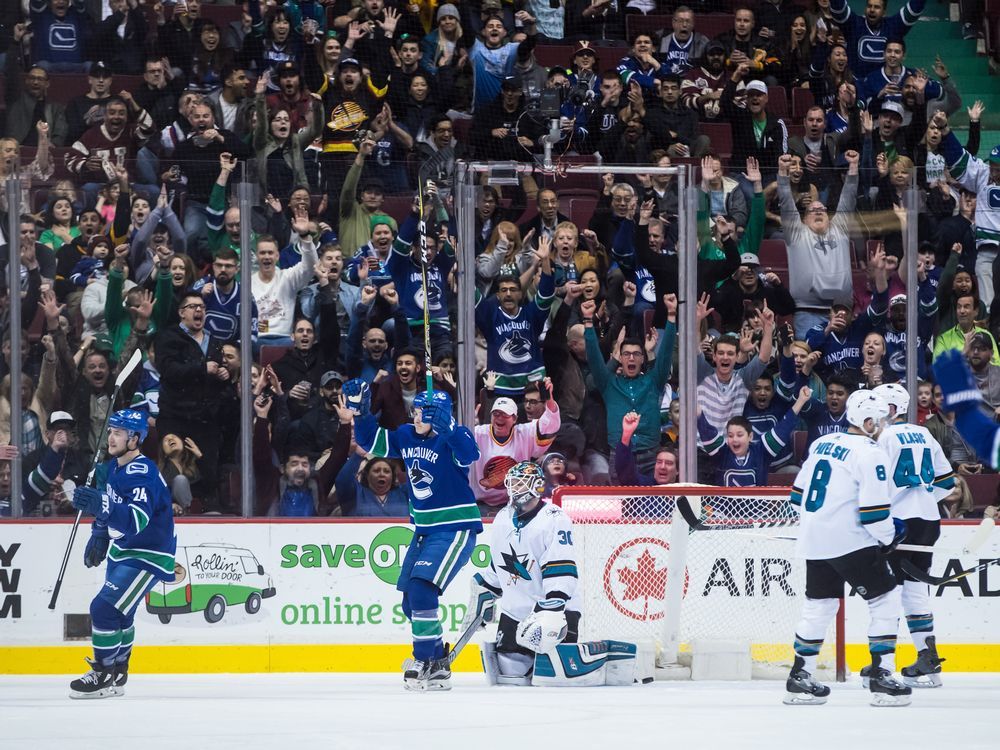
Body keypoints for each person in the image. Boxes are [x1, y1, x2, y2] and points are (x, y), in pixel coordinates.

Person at [784, 390, 911, 707]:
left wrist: (823, 522)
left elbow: (797, 497)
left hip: (814, 539)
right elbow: (874, 514)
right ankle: (881, 675)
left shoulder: (821, 444)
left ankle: (801, 676)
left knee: (821, 605)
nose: (885, 425)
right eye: (882, 420)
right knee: (885, 598)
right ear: (868, 422)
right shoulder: (871, 453)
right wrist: (889, 536)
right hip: (851, 540)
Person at [358, 388, 481, 691]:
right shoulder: (405, 435)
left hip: (454, 527)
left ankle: (425, 660)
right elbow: (371, 441)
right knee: (410, 601)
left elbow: (470, 454)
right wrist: (360, 414)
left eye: (424, 412)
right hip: (424, 531)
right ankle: (438, 662)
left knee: (422, 590)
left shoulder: (452, 437)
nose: (417, 417)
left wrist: (448, 426)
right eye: (415, 411)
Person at [69, 409, 176, 698]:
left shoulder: (143, 473)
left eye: (119, 432)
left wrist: (100, 505)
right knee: (122, 614)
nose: (111, 436)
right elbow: (112, 510)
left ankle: (102, 673)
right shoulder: (114, 468)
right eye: (111, 430)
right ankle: (117, 671)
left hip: (149, 553)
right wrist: (99, 535)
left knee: (102, 609)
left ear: (135, 439)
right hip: (125, 549)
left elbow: (137, 520)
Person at [871, 383, 953, 687]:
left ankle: (884, 668)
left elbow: (874, 486)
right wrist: (922, 499)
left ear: (891, 409)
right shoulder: (925, 433)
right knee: (916, 592)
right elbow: (947, 482)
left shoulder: (884, 438)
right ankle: (929, 666)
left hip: (897, 523)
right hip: (928, 521)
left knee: (888, 592)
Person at [469, 461, 581, 683]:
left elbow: (561, 565)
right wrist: (485, 588)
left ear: (537, 486)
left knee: (552, 679)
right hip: (515, 612)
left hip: (553, 610)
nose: (515, 489)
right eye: (512, 484)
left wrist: (554, 605)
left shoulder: (554, 518)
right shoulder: (502, 517)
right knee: (510, 676)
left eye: (521, 483)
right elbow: (500, 560)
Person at [698, 386, 812, 486]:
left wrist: (801, 401)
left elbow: (783, 428)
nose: (735, 439)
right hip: (725, 510)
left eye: (740, 435)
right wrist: (697, 412)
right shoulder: (722, 453)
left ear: (750, 437)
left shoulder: (761, 452)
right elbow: (706, 431)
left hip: (756, 510)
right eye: (730, 435)